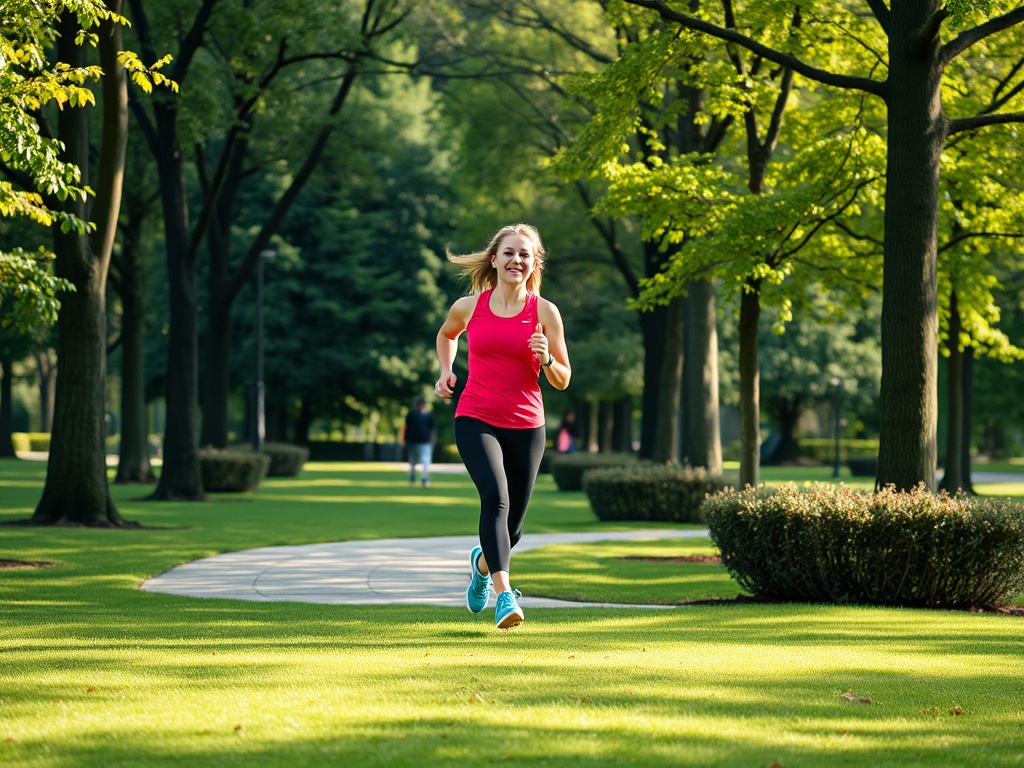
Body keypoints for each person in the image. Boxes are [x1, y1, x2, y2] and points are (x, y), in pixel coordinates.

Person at [435, 223, 571, 630]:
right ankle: (504, 595)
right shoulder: (469, 306)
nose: (516, 260)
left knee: (512, 530)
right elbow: (447, 334)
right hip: (476, 415)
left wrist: (546, 358)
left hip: (528, 425)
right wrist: (445, 371)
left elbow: (563, 379)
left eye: (524, 255)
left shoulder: (545, 312)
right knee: (495, 499)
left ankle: (480, 564)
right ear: (493, 259)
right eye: (509, 253)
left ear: (534, 264)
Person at [401, 397, 434, 487]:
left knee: (416, 460)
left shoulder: (423, 415)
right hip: (418, 441)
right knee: (422, 460)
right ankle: (422, 478)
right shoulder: (417, 414)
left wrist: (403, 439)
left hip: (417, 441)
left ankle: (418, 478)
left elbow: (406, 427)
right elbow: (430, 429)